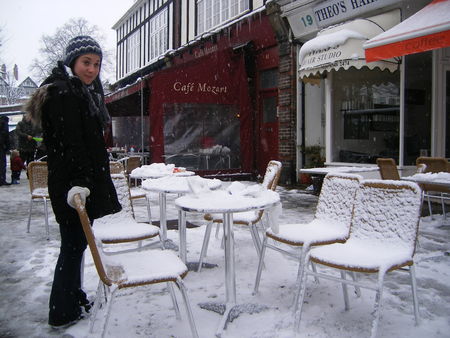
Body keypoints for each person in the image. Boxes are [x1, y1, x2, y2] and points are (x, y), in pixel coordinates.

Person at [25, 35, 122, 328]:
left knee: (76, 245)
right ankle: (62, 311)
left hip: (76, 183)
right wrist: (80, 182)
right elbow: (72, 144)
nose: (91, 69)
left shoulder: (79, 92)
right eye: (85, 62)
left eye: (96, 63)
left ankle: (72, 297)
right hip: (73, 186)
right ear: (72, 62)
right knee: (72, 246)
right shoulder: (66, 94)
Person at [0, 115, 11, 186]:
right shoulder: (4, 124)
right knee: (2, 164)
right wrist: (7, 147)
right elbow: (6, 136)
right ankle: (2, 180)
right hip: (1, 147)